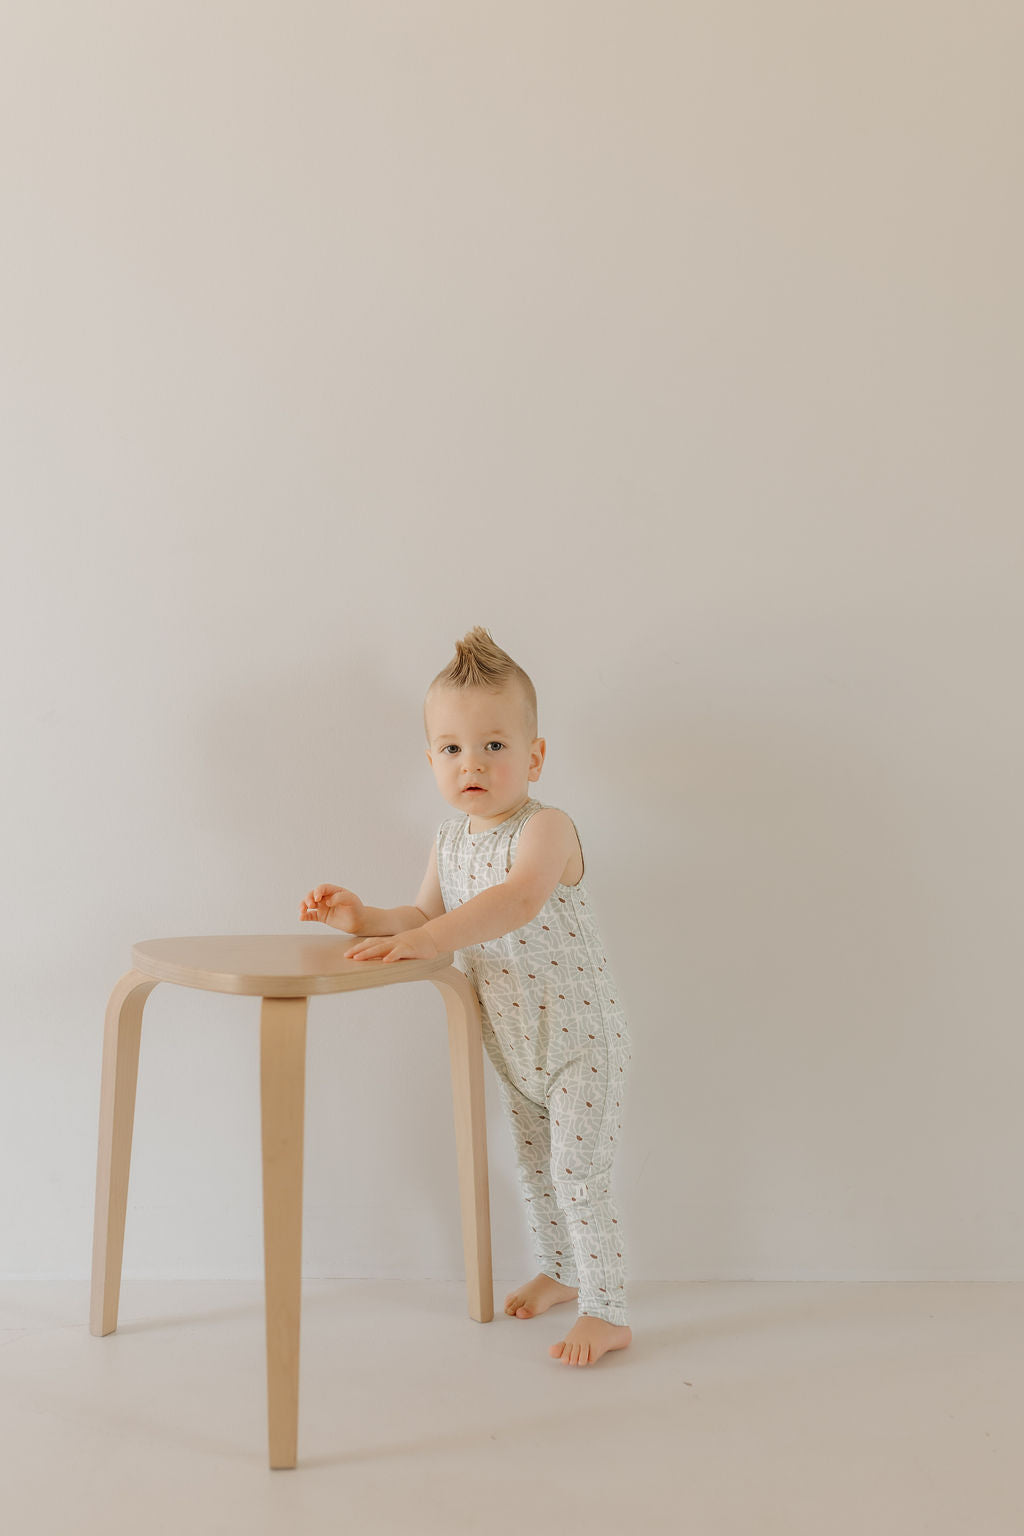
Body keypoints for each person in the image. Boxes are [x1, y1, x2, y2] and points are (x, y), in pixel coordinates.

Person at [299, 626, 634, 1367]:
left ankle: (607, 1309)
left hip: (581, 1042)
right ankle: (560, 1266)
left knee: (578, 1170)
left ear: (534, 756)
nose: (471, 763)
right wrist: (362, 917)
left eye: (493, 745)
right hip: (513, 1045)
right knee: (533, 1165)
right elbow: (421, 917)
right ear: (430, 762)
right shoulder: (449, 843)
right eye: (451, 748)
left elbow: (516, 903)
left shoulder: (545, 829)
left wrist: (431, 938)